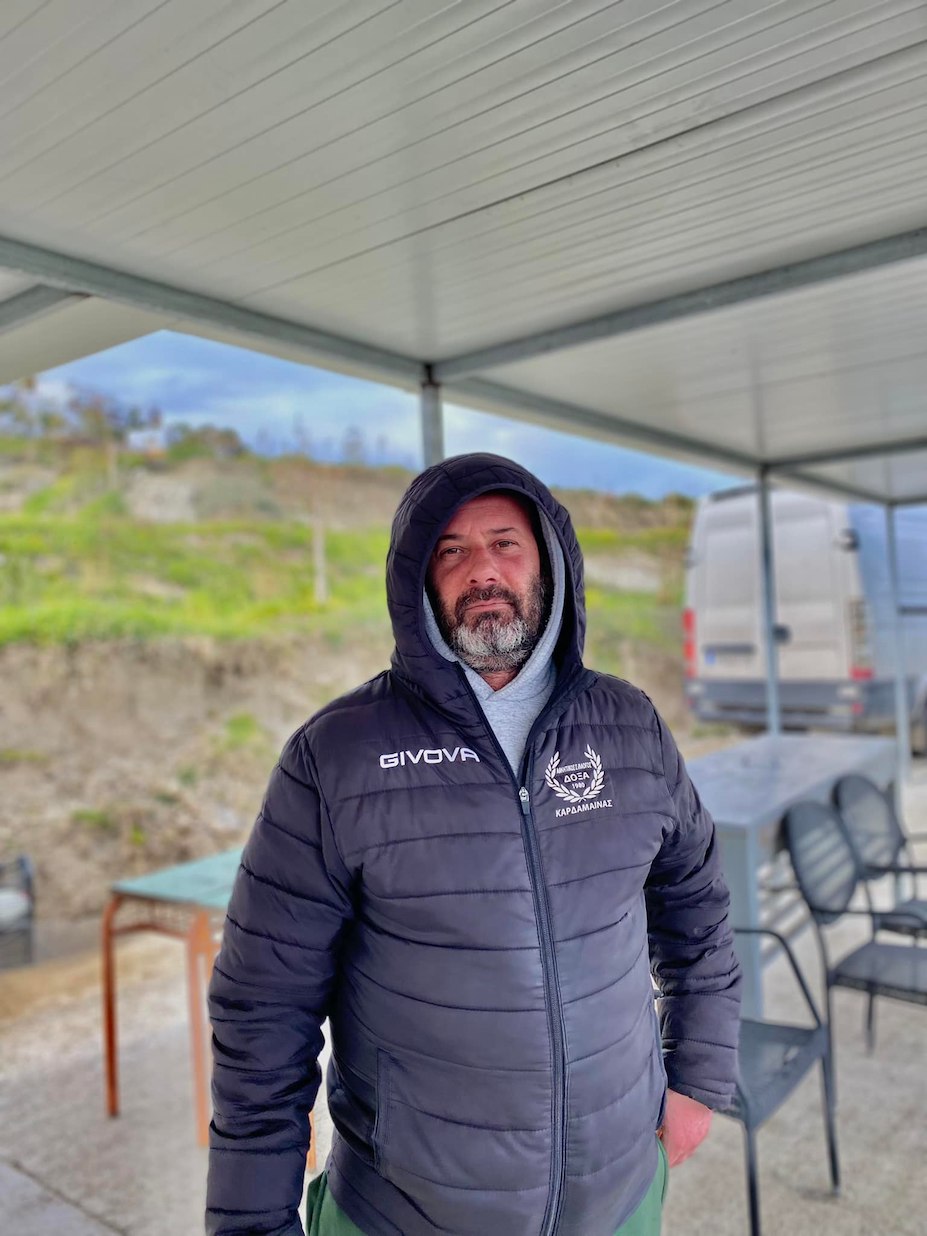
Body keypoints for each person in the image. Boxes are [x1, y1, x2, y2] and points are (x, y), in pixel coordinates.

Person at [206, 453, 742, 1236]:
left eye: (504, 544)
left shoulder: (629, 726)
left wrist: (696, 1074)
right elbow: (263, 1009)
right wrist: (252, 1221)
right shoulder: (337, 755)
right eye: (451, 551)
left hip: (619, 1195)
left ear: (549, 563)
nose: (481, 570)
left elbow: (696, 910)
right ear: (417, 581)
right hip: (404, 1212)